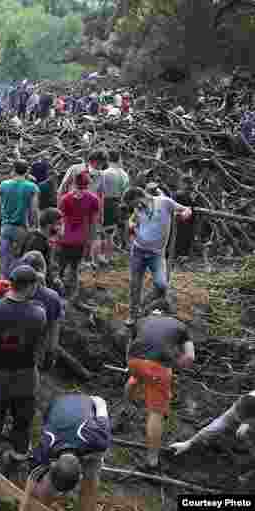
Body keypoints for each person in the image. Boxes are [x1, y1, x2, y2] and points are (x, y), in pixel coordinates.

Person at [0, 265, 48, 477]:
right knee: (22, 421)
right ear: (31, 287)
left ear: (11, 284)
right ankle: (17, 461)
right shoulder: (38, 314)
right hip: (25, 378)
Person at [125, 303, 195, 471]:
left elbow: (131, 344)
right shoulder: (180, 326)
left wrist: (132, 363)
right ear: (170, 314)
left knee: (137, 377)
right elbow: (190, 357)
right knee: (156, 413)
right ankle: (152, 461)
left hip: (134, 360)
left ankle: (126, 407)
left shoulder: (142, 320)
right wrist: (174, 367)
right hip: (157, 367)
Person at [21, 394, 112, 511]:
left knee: (91, 474)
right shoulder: (46, 445)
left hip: (88, 406)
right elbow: (32, 479)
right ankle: (41, 506)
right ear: (53, 464)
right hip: (58, 404)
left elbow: (100, 402)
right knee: (45, 487)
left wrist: (91, 400)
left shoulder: (99, 438)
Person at [122, 187, 192, 326]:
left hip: (156, 254)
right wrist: (131, 225)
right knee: (135, 284)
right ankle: (133, 315)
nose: (135, 207)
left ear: (139, 196)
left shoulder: (164, 202)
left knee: (161, 285)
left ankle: (143, 304)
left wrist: (185, 214)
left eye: (135, 204)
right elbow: (131, 220)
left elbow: (186, 209)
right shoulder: (138, 209)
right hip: (138, 251)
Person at [0, 251, 63, 370]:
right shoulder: (52, 297)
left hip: (1, 352)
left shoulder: (7, 290)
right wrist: (51, 354)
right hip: (32, 356)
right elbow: (54, 329)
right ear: (43, 269)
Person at [169, 390, 255, 460]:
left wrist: (248, 425)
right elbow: (217, 426)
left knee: (243, 433)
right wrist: (188, 443)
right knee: (239, 432)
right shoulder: (241, 405)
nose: (236, 419)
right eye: (237, 417)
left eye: (240, 419)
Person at [57, 172, 100, 303]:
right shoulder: (93, 199)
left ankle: (59, 291)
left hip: (65, 237)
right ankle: (73, 294)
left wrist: (56, 238)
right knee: (75, 267)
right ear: (88, 184)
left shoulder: (65, 198)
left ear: (74, 183)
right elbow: (93, 222)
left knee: (61, 266)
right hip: (81, 238)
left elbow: (59, 220)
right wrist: (91, 242)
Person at [0, 160, 39, 278]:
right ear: (27, 172)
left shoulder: (3, 185)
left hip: (5, 227)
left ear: (13, 170)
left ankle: (3, 286)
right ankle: (16, 285)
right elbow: (34, 210)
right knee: (19, 259)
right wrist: (34, 226)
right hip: (22, 228)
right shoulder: (32, 187)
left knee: (5, 260)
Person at [15, 208, 63, 295]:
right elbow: (33, 270)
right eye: (58, 224)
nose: (60, 228)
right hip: (36, 289)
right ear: (49, 225)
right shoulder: (39, 244)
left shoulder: (31, 235)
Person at [101, 151, 130, 263]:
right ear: (119, 159)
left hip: (107, 202)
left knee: (106, 232)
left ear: (108, 160)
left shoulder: (105, 173)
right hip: (120, 202)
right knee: (114, 232)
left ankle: (106, 257)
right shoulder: (124, 174)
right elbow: (126, 192)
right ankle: (111, 255)